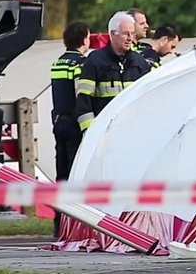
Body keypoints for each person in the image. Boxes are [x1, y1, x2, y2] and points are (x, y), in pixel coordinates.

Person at [49, 21, 91, 236]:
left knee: (62, 173)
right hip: (75, 123)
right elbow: (80, 92)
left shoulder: (58, 63)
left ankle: (59, 221)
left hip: (59, 122)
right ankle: (75, 222)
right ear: (84, 38)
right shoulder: (80, 64)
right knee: (76, 173)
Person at [76, 12, 150, 132]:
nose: (130, 38)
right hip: (104, 132)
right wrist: (90, 131)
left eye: (132, 33)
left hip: (134, 130)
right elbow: (83, 100)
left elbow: (147, 99)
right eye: (126, 34)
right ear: (112, 34)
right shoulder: (95, 61)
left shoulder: (139, 62)